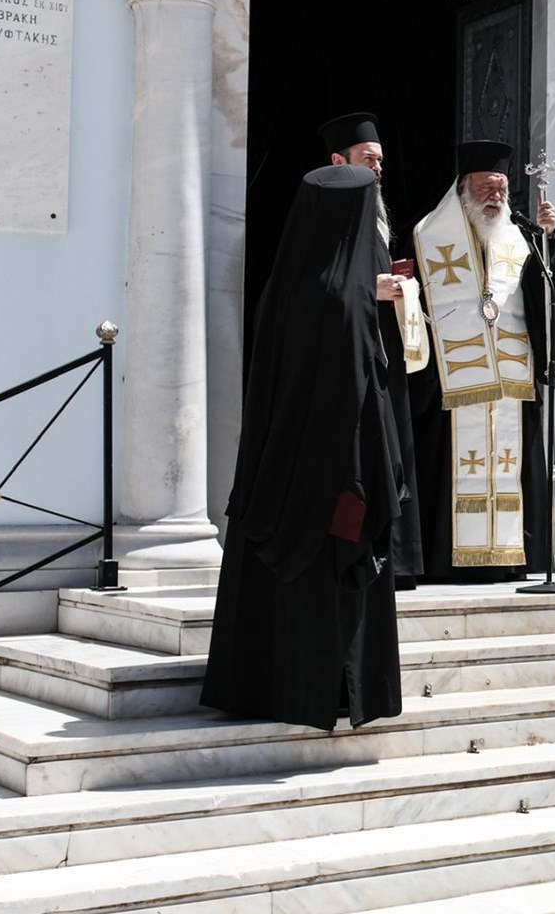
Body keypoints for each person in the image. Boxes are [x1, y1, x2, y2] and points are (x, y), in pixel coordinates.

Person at [201, 164, 404, 730]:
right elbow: (360, 399)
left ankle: (263, 688)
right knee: (329, 593)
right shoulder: (348, 301)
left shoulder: (288, 285)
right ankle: (331, 695)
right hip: (337, 475)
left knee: (279, 595)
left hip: (280, 472)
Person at [405, 140, 555, 583]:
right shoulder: (428, 236)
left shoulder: (521, 235)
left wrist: (549, 241)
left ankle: (510, 559)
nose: (495, 197)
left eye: (501, 188)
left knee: (512, 468)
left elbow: (541, 297)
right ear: (463, 189)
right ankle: (446, 562)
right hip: (454, 379)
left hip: (511, 378)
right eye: (486, 188)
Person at [319, 112, 425, 587]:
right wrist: (370, 289)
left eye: (380, 161)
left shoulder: (377, 215)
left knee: (391, 456)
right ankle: (356, 560)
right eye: (368, 159)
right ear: (338, 161)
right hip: (346, 362)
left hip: (383, 352)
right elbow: (317, 287)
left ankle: (394, 562)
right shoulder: (325, 213)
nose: (378, 168)